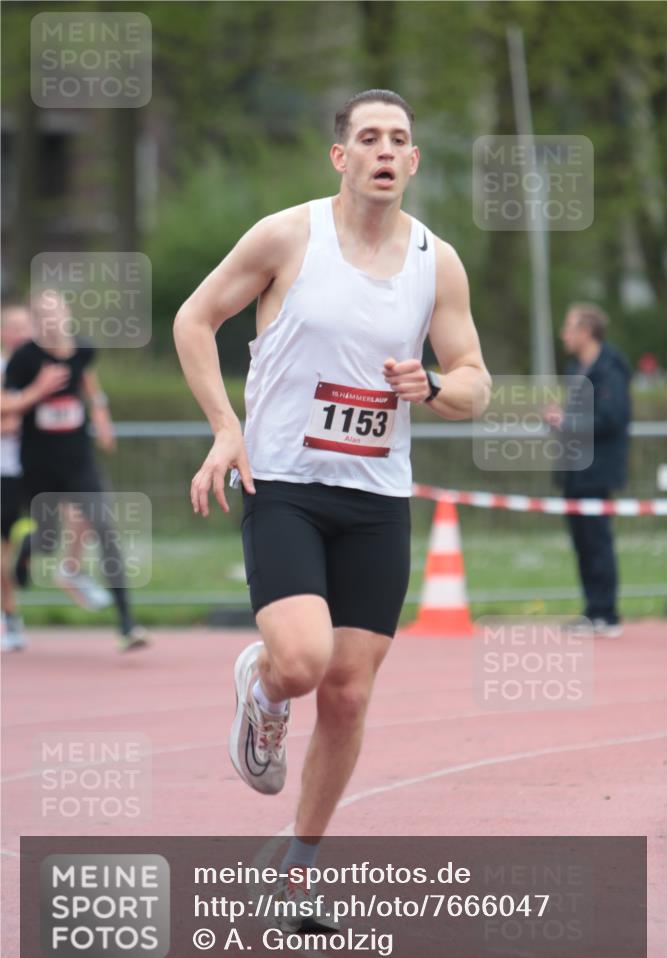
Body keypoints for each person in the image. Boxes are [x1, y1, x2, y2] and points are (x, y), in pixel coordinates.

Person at [174, 89, 491, 915]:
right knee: (305, 663)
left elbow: (475, 382)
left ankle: (297, 863)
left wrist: (435, 385)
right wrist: (223, 428)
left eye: (400, 140)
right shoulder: (288, 236)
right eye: (369, 138)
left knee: (349, 692)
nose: (385, 151)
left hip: (376, 497)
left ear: (412, 162)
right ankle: (265, 684)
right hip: (284, 486)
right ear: (340, 157)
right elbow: (194, 318)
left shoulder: (435, 260)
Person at [4, 290, 149, 652]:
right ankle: (27, 549)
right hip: (38, 465)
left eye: (59, 312)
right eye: (45, 316)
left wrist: (101, 417)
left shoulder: (83, 351)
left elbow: (89, 386)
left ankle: (127, 622)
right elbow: (5, 404)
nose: (54, 321)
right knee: (48, 537)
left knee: (104, 527)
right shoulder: (24, 359)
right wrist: (37, 391)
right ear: (37, 323)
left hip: (79, 459)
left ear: (68, 314)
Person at [546, 303, 631, 637]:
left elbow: (612, 419)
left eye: (569, 327)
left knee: (598, 541)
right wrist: (559, 422)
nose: (564, 334)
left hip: (598, 470)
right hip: (574, 471)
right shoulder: (574, 369)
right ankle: (592, 610)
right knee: (582, 542)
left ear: (586, 331)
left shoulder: (611, 369)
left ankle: (607, 614)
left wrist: (568, 422)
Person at [1, 303, 69, 651]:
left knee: (54, 532)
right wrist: (34, 395)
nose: (21, 332)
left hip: (34, 468)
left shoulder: (44, 363)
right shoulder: (6, 368)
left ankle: (39, 557)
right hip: (4, 472)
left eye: (26, 326)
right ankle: (11, 619)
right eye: (13, 326)